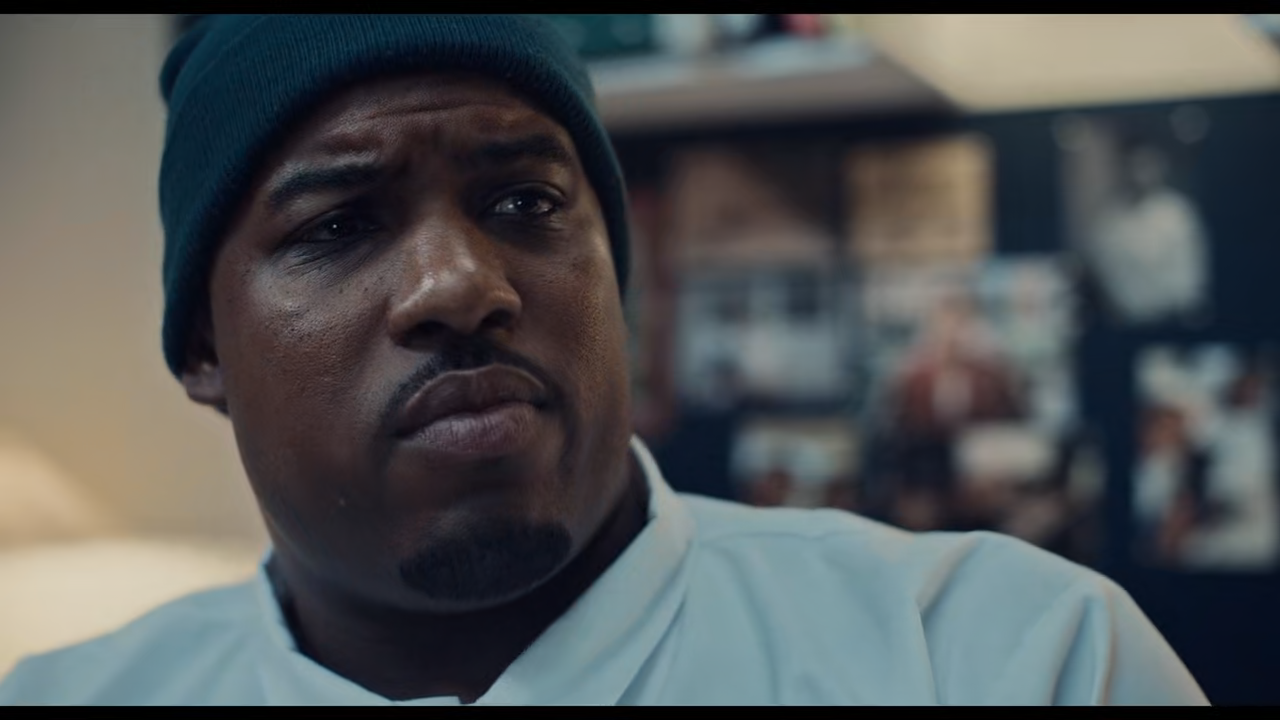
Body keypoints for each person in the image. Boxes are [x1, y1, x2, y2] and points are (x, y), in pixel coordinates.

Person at [0, 15, 1207, 706]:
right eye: (337, 226)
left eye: (523, 202)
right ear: (202, 347)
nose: (459, 284)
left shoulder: (997, 658)